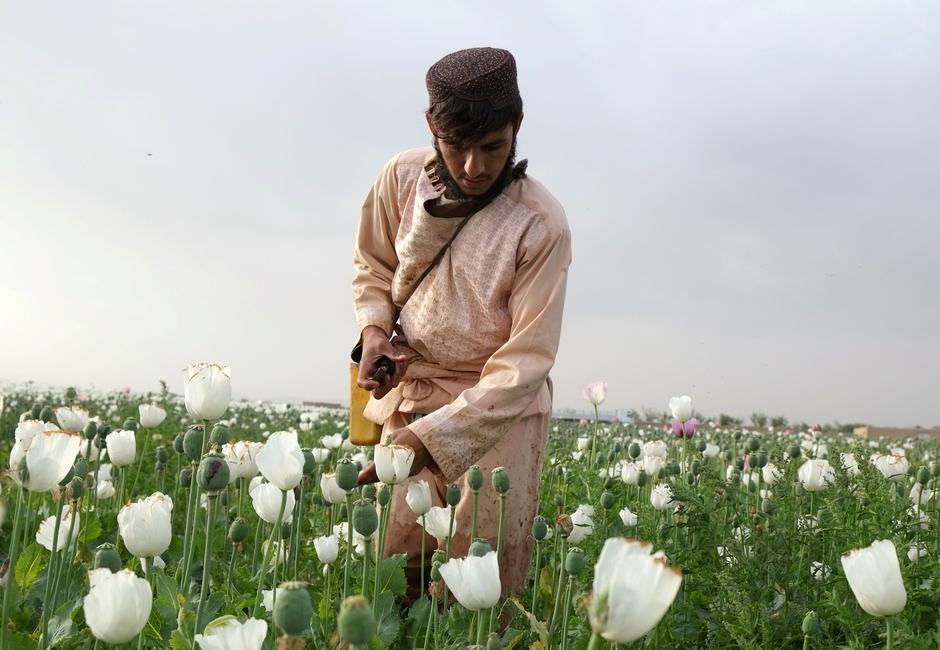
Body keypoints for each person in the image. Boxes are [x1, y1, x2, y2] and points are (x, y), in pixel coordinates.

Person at [351, 46, 571, 598]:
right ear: (431, 127)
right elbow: (372, 264)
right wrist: (375, 329)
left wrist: (430, 440)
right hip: (414, 396)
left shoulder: (540, 225)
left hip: (499, 414)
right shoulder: (400, 180)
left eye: (493, 147)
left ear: (516, 127)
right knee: (393, 576)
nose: (474, 167)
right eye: (457, 147)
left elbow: (525, 365)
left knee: (477, 585)